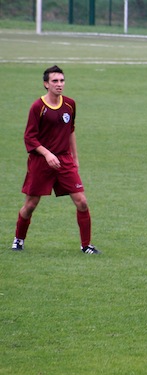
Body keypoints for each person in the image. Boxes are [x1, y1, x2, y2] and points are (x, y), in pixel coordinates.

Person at [11, 65, 100, 254]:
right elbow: (29, 138)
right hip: (40, 163)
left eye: (62, 80)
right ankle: (18, 239)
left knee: (82, 202)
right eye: (55, 81)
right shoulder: (38, 107)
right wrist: (47, 154)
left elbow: (71, 131)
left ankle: (86, 246)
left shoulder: (70, 104)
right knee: (30, 205)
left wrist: (75, 157)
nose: (59, 84)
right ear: (46, 84)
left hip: (64, 161)